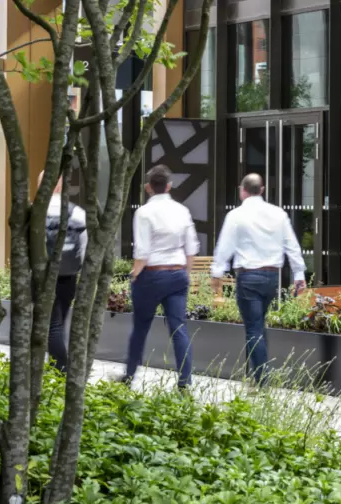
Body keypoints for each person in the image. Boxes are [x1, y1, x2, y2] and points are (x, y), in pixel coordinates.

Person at [210, 172, 307, 385]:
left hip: (248, 277)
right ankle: (255, 374)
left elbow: (225, 246)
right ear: (262, 190)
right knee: (259, 326)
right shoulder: (278, 214)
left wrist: (217, 272)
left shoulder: (236, 215)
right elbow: (291, 245)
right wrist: (299, 274)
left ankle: (262, 379)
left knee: (253, 328)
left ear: (242, 190)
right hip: (272, 276)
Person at [125, 165, 198, 390]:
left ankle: (129, 376)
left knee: (140, 327)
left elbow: (142, 252)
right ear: (169, 186)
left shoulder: (143, 213)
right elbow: (191, 248)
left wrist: (134, 275)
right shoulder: (182, 211)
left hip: (151, 275)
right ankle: (185, 382)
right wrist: (185, 274)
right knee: (179, 328)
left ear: (148, 187)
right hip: (176, 273)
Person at [44, 174, 88, 373]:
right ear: (61, 187)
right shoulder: (77, 212)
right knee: (59, 322)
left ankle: (62, 369)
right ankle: (56, 368)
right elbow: (84, 247)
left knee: (51, 327)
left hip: (43, 277)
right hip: (68, 277)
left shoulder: (34, 211)